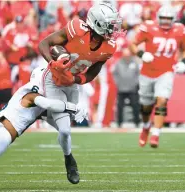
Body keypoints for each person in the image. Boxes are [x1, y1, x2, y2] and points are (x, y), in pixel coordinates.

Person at [38, 2, 124, 183]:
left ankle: (45, 113)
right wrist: (53, 63)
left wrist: (76, 80)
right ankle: (70, 160)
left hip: (72, 84)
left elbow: (94, 70)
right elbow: (44, 44)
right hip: (53, 79)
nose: (114, 29)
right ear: (98, 24)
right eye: (110, 25)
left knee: (65, 129)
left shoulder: (109, 46)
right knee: (65, 130)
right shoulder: (77, 29)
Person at [129, 5, 185, 148]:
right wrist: (141, 54)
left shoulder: (179, 30)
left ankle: (156, 133)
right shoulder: (149, 28)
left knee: (161, 100)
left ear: (173, 19)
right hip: (147, 72)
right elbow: (132, 44)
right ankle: (146, 126)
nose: (165, 21)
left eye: (168, 19)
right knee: (146, 106)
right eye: (163, 18)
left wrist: (184, 62)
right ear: (158, 18)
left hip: (166, 72)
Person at [112, 47, 140, 128]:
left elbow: (138, 74)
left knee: (135, 105)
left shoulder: (135, 62)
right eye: (125, 55)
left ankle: (137, 122)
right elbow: (115, 74)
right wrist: (118, 83)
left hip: (132, 89)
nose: (127, 56)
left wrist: (135, 83)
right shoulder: (118, 63)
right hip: (121, 89)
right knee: (120, 106)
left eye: (128, 55)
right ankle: (119, 123)